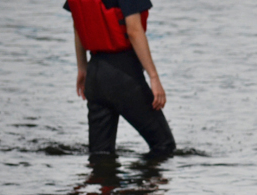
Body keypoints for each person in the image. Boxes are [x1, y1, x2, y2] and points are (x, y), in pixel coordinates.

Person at [64, 0, 175, 156]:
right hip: (123, 74)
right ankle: (140, 179)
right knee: (164, 146)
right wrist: (154, 77)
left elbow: (77, 25)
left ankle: (101, 177)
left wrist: (82, 68)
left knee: (100, 153)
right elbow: (134, 31)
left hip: (94, 74)